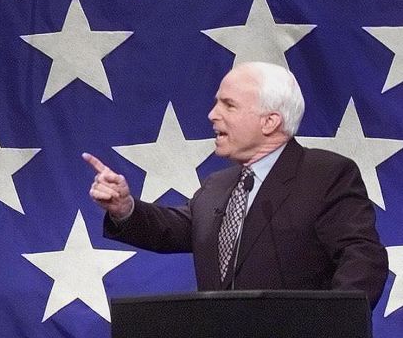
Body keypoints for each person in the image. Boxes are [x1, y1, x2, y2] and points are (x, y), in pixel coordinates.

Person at [84, 61, 387, 306]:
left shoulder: (325, 175)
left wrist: (330, 328)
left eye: (228, 105)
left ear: (269, 121)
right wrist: (125, 208)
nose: (212, 114)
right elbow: (177, 229)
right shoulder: (218, 184)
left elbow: (362, 258)